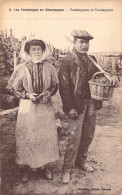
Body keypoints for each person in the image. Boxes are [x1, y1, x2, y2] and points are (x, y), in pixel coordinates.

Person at [58, 30, 119, 183]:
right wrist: (69, 107)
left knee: (88, 135)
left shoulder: (92, 59)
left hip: (91, 103)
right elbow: (64, 87)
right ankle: (67, 168)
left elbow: (104, 73)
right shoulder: (67, 60)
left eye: (87, 42)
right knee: (74, 137)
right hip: (76, 105)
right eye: (81, 42)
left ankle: (81, 161)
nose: (84, 45)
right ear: (74, 43)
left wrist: (114, 76)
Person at [8, 39, 59, 182]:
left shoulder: (50, 68)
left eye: (39, 49)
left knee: (44, 137)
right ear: (28, 52)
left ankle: (44, 167)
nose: (36, 52)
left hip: (45, 107)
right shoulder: (21, 68)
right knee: (28, 137)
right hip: (27, 108)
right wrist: (27, 95)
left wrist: (47, 94)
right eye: (33, 50)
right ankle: (27, 169)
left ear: (43, 51)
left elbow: (55, 86)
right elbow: (14, 88)